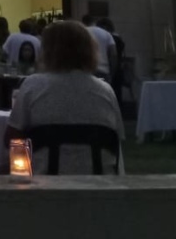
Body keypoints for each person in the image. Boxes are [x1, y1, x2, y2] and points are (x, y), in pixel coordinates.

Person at [7, 20, 124, 174]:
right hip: (99, 186)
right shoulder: (106, 91)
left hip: (44, 186)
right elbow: (117, 138)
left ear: (47, 51)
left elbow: (12, 138)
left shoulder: (32, 86)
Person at [96, 17, 126, 103]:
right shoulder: (118, 38)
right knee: (116, 96)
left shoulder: (109, 38)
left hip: (110, 69)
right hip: (117, 69)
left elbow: (112, 55)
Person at [82, 14, 118, 82]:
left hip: (86, 71)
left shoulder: (81, 32)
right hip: (103, 71)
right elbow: (113, 54)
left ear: (83, 22)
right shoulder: (106, 34)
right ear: (95, 22)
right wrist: (112, 73)